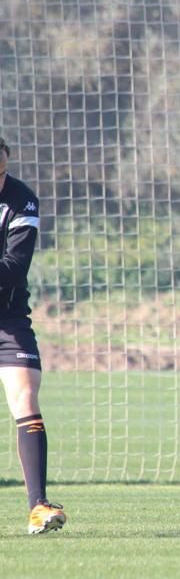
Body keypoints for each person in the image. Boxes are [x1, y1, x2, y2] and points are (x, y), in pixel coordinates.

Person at [0, 137, 66, 534]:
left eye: (2, 172)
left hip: (8, 318)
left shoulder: (22, 201)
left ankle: (38, 506)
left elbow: (14, 266)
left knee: (26, 394)